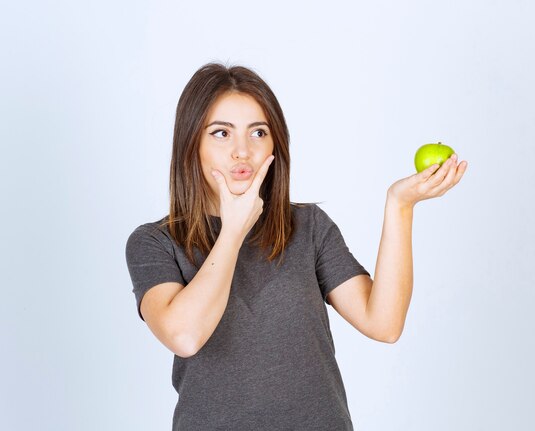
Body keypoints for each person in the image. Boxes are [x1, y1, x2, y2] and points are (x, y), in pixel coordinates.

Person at [125, 62, 468, 431]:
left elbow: (383, 323)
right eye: (221, 133)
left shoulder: (308, 227)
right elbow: (185, 336)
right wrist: (233, 232)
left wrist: (400, 205)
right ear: (191, 141)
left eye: (258, 132)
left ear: (276, 143)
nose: (242, 151)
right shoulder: (154, 242)